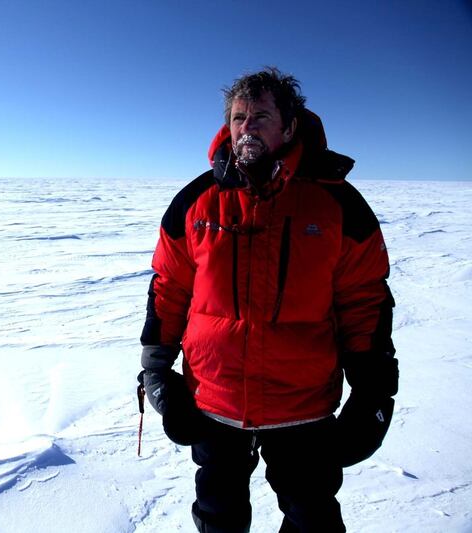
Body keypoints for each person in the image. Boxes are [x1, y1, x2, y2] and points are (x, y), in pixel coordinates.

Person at [138, 67, 398, 533]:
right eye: (239, 117)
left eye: (261, 115)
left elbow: (365, 299)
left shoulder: (337, 204)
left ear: (290, 126)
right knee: (219, 518)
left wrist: (374, 388)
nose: (247, 127)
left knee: (311, 518)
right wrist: (157, 367)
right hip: (214, 400)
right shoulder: (197, 201)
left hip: (302, 405)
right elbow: (169, 287)